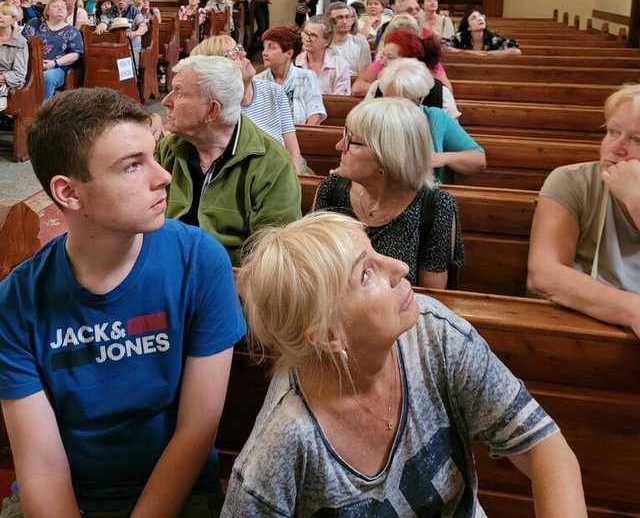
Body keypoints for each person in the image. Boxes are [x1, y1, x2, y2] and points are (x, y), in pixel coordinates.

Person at [223, 212, 587, 518]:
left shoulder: (433, 335)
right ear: (328, 336)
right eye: (365, 274)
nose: (400, 267)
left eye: (375, 253)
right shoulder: (282, 443)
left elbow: (544, 447)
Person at [0, 88, 245, 518]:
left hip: (177, 492)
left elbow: (195, 431)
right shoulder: (17, 301)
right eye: (133, 166)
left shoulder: (200, 262)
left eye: (153, 156)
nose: (163, 176)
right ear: (69, 193)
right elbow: (42, 468)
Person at [157, 55, 301, 261]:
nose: (165, 100)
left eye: (178, 92)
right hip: (169, 269)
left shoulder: (271, 163)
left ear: (212, 110)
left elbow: (274, 256)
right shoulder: (170, 148)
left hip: (232, 281)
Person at [528, 84, 640, 335]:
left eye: (637, 139)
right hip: (582, 327)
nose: (616, 148)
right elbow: (544, 274)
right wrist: (633, 309)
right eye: (613, 132)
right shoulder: (571, 180)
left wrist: (636, 202)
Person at [315, 97, 463, 287]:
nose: (339, 146)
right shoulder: (332, 189)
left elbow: (431, 299)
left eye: (352, 141)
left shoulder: (435, 207)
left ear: (387, 156)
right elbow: (313, 271)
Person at [190, 35, 303, 172]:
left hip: (283, 174)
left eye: (239, 49)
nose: (243, 54)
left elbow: (293, 152)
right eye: (233, 54)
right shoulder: (217, 108)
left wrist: (293, 182)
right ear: (217, 72)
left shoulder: (274, 91)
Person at [372, 58, 486, 182]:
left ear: (421, 98)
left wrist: (442, 158)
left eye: (408, 102)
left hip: (429, 195)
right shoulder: (372, 119)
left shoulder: (434, 117)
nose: (400, 109)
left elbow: (478, 159)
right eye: (392, 101)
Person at [354, 29, 459, 118]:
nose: (382, 62)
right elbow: (364, 123)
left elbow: (453, 138)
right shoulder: (376, 87)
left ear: (411, 61)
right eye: (382, 56)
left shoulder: (440, 93)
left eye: (390, 57)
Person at [257, 25, 326, 125]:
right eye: (264, 48)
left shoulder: (307, 77)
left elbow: (315, 113)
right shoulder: (257, 81)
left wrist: (305, 136)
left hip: (300, 137)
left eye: (271, 48)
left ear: (289, 53)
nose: (264, 53)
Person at [22, 0, 83, 101]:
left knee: (47, 77)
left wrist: (54, 63)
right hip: (29, 65)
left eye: (63, 8)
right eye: (55, 6)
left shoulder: (72, 31)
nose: (60, 9)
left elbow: (76, 54)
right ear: (47, 11)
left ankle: (43, 111)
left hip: (56, 67)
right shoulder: (35, 23)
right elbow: (21, 43)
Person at [295, 15, 351, 95]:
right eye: (306, 33)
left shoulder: (340, 65)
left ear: (327, 41)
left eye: (313, 35)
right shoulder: (294, 63)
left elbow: (339, 101)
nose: (307, 39)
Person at [95, 0, 148, 66]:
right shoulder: (109, 11)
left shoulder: (134, 10)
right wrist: (100, 28)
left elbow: (143, 27)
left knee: (129, 70)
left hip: (131, 45)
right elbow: (103, 23)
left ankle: (132, 75)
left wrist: (135, 33)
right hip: (114, 45)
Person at [451, 8, 521, 56]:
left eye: (480, 16)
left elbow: (516, 51)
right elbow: (443, 48)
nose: (479, 19)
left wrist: (486, 54)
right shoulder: (460, 37)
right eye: (474, 18)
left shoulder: (493, 38)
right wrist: (469, 53)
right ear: (468, 27)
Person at [327, 1, 371, 76]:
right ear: (330, 21)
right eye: (340, 18)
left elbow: (364, 75)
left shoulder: (361, 42)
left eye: (347, 17)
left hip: (355, 85)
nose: (345, 21)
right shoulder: (322, 43)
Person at [0, 3, 28, 111]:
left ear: (13, 19)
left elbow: (19, 74)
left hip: (5, 84)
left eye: (5, 14)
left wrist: (2, 78)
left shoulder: (20, 42)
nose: (0, 16)